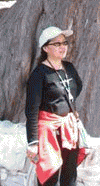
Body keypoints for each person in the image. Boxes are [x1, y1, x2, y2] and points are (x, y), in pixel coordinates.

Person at [26, 26, 87, 186]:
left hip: (69, 128)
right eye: (57, 44)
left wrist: (65, 108)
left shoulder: (70, 68)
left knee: (70, 175)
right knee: (49, 177)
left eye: (64, 43)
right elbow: (31, 110)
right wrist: (33, 142)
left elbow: (77, 88)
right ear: (46, 48)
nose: (63, 47)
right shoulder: (39, 74)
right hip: (48, 131)